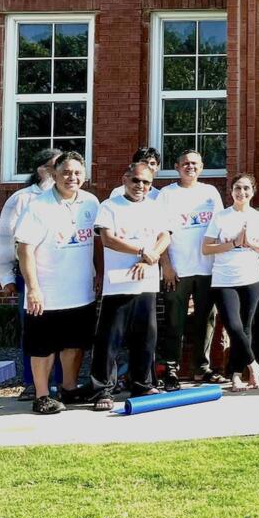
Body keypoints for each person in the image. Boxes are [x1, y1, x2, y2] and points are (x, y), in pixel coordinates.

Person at [16, 152, 99, 414]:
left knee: (74, 345)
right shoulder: (37, 206)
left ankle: (69, 388)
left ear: (84, 176)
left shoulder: (91, 202)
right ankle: (41, 396)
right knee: (42, 347)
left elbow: (97, 241)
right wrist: (33, 289)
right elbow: (24, 250)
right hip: (47, 293)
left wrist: (99, 273)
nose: (71, 177)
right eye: (66, 172)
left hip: (81, 292)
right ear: (54, 174)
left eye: (77, 173)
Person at [89, 162, 170, 409]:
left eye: (146, 182)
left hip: (146, 282)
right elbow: (109, 240)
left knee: (145, 338)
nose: (141, 186)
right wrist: (143, 251)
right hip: (118, 283)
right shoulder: (109, 206)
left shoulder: (156, 207)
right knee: (109, 340)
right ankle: (103, 390)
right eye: (136, 180)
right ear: (125, 179)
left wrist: (151, 257)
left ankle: (142, 385)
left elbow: (164, 235)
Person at [202, 173, 259, 392]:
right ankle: (254, 364)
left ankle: (236, 375)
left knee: (244, 328)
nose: (241, 192)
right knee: (233, 326)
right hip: (224, 279)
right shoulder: (221, 217)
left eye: (246, 188)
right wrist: (234, 243)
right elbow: (206, 248)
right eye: (237, 188)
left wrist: (252, 243)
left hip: (252, 278)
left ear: (252, 192)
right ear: (232, 190)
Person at [156, 149, 224, 388]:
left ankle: (201, 368)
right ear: (176, 166)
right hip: (178, 269)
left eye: (195, 163)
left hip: (207, 268)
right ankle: (171, 369)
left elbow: (219, 230)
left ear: (202, 167)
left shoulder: (211, 193)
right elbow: (160, 232)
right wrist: (166, 265)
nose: (190, 167)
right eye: (185, 163)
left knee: (206, 320)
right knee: (175, 322)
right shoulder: (166, 194)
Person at [0, 147, 59, 401]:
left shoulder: (72, 198)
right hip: (30, 274)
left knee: (61, 329)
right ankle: (33, 383)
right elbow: (4, 238)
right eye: (57, 166)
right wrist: (6, 277)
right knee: (34, 328)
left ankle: (60, 382)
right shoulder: (23, 199)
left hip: (62, 274)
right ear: (42, 170)